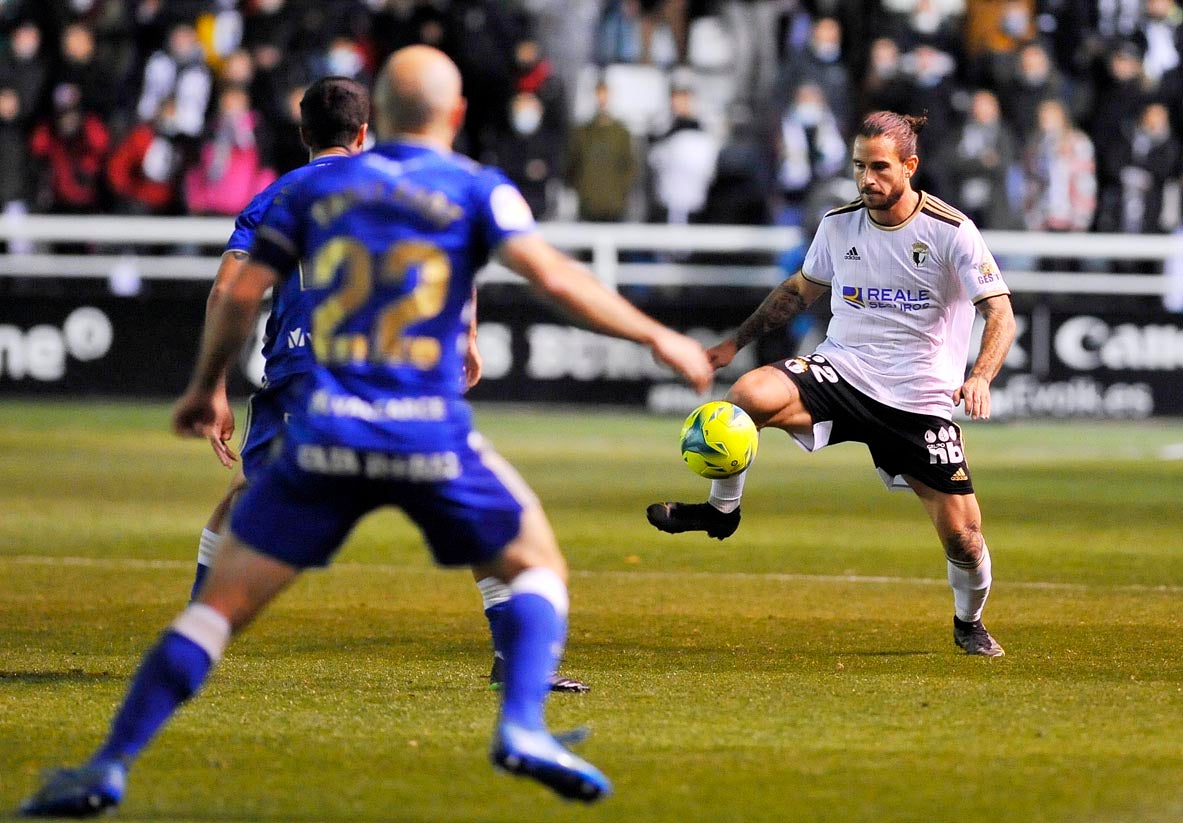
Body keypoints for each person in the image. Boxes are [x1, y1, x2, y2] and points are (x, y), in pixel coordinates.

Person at [18, 45, 712, 817]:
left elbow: (238, 290)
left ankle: (110, 763)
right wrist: (657, 336)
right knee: (536, 560)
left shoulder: (305, 191)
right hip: (424, 427)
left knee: (213, 613)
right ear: (447, 116)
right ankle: (521, 723)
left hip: (324, 426)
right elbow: (555, 276)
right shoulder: (472, 186)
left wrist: (204, 383)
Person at [189, 76, 588, 694]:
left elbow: (227, 291)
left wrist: (211, 386)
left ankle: (195, 634)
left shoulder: (278, 195)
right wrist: (468, 333)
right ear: (364, 131)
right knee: (467, 500)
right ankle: (513, 651)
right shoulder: (396, 182)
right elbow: (454, 251)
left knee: (245, 500)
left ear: (303, 135)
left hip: (303, 376)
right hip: (391, 371)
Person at [646, 111, 1016, 658]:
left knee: (964, 538)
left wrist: (980, 375)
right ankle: (722, 511)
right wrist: (734, 343)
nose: (868, 180)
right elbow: (797, 292)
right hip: (840, 372)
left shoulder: (952, 231)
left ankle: (969, 622)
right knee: (746, 396)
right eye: (859, 167)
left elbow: (1001, 313)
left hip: (919, 402)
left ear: (910, 167)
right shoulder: (839, 224)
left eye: (881, 168)